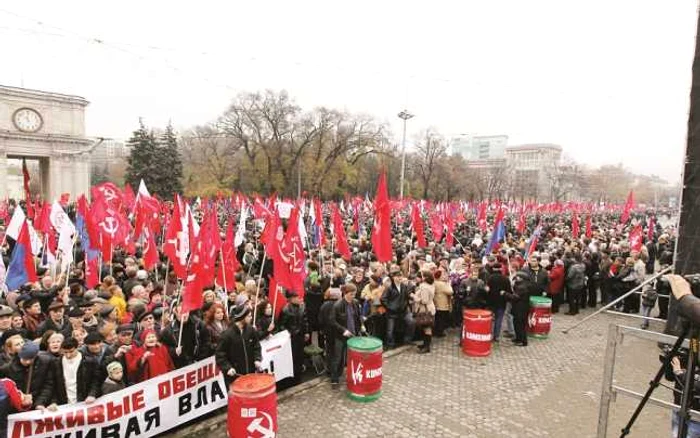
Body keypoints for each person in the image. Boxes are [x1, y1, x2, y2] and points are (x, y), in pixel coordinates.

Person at [215, 305, 262, 386]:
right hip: (235, 377)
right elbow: (220, 355)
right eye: (249, 316)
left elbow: (256, 346)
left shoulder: (251, 330)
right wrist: (228, 368)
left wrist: (257, 359)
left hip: (250, 373)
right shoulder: (227, 335)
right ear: (242, 317)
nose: (251, 318)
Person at [328, 284, 364, 388]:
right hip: (341, 336)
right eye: (351, 294)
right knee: (338, 357)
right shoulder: (338, 305)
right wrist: (343, 330)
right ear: (345, 293)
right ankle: (334, 379)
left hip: (353, 335)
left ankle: (349, 375)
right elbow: (332, 321)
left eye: (354, 294)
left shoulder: (355, 303)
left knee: (350, 357)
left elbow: (358, 316)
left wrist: (361, 326)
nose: (353, 296)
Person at [53, 337, 100, 405]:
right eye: (65, 352)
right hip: (64, 402)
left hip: (84, 401)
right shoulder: (57, 363)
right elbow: (53, 384)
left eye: (71, 351)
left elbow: (96, 380)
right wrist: (53, 402)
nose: (68, 355)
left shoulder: (89, 361)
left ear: (77, 347)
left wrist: (92, 394)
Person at [381, 269, 416, 349]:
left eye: (401, 276)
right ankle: (390, 344)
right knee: (390, 330)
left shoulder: (404, 286)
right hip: (392, 313)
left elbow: (407, 295)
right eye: (398, 276)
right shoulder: (389, 288)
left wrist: (412, 297)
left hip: (403, 311)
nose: (400, 278)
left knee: (411, 322)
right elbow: (383, 299)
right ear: (393, 278)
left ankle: (407, 340)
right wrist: (390, 307)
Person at [279, 290, 308, 382]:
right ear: (291, 299)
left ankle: (298, 374)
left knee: (300, 355)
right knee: (293, 357)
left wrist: (306, 332)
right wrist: (289, 333)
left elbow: (305, 320)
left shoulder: (302, 307)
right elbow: (281, 325)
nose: (298, 299)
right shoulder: (285, 309)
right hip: (291, 337)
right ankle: (293, 377)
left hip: (300, 336)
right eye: (296, 297)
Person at [411, 270, 436, 354]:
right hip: (430, 308)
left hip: (426, 310)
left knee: (427, 328)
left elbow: (424, 301)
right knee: (426, 327)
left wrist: (415, 298)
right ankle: (425, 344)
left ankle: (426, 347)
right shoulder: (431, 285)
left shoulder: (424, 287)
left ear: (425, 278)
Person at [486, 264, 511, 342]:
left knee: (490, 319)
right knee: (499, 319)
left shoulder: (490, 278)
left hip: (491, 302)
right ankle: (496, 336)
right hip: (501, 302)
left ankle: (488, 334)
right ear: (501, 269)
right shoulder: (506, 279)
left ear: (493, 269)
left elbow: (487, 289)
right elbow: (509, 291)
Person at [432, 270, 454, 338]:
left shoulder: (435, 282)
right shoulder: (442, 284)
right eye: (443, 275)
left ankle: (436, 331)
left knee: (438, 318)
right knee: (441, 319)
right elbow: (450, 291)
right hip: (442, 304)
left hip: (436, 303)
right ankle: (439, 332)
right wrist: (448, 284)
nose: (444, 276)